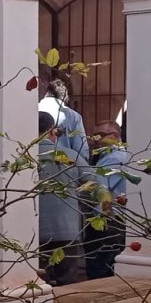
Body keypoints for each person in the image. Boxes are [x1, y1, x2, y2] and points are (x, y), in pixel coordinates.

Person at [37, 111, 86, 286]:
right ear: (52, 130)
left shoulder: (22, 158)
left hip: (35, 233)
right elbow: (94, 185)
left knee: (38, 282)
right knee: (68, 282)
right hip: (68, 230)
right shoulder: (71, 155)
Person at [81, 120, 130, 280]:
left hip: (107, 220)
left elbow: (101, 191)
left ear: (114, 136)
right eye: (94, 135)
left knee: (99, 268)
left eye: (100, 135)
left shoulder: (113, 158)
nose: (95, 139)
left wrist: (104, 219)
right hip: (117, 219)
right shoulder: (116, 156)